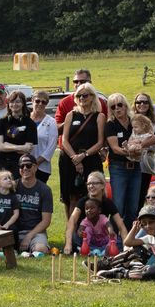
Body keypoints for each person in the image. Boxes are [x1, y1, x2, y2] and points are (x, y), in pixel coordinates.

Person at [57, 81, 107, 215]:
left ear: (92, 97)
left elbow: (100, 142)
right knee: (71, 197)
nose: (81, 98)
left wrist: (83, 156)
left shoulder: (99, 116)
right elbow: (65, 140)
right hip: (69, 160)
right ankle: (71, 231)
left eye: (85, 95)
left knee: (92, 195)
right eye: (79, 96)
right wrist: (76, 158)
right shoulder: (71, 115)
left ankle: (92, 228)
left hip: (91, 160)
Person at [104, 93, 148, 226]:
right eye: (113, 107)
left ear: (125, 105)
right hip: (118, 168)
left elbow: (148, 136)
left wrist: (141, 146)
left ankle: (129, 239)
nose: (117, 109)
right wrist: (130, 151)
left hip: (136, 167)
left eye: (119, 105)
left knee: (133, 206)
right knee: (118, 205)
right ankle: (115, 240)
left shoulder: (135, 121)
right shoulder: (110, 125)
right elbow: (115, 148)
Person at [6, 156, 53, 254]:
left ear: (35, 167)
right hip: (14, 230)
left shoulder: (45, 190)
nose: (25, 168)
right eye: (21, 166)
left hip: (35, 232)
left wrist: (28, 237)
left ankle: (28, 248)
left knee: (41, 249)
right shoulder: (12, 187)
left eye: (28, 165)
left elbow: (46, 221)